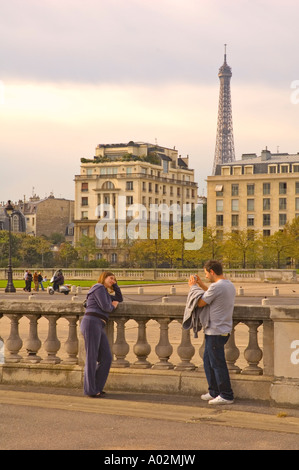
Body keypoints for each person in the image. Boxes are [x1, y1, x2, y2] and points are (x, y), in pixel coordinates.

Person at [189, 260, 236, 405]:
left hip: (216, 330)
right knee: (208, 362)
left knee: (217, 363)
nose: (206, 276)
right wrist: (201, 285)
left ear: (212, 272)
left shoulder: (217, 287)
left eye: (206, 274)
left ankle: (226, 395)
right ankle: (214, 392)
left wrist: (192, 288)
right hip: (221, 329)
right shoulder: (228, 284)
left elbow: (200, 302)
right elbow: (210, 293)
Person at [80, 271, 123, 398]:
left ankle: (97, 387)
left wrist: (115, 287)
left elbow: (119, 299)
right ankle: (90, 389)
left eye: (114, 279)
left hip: (98, 324)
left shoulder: (104, 292)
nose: (113, 281)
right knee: (91, 357)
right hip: (91, 323)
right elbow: (106, 307)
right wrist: (113, 306)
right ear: (103, 278)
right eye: (111, 278)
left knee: (107, 358)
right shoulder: (98, 287)